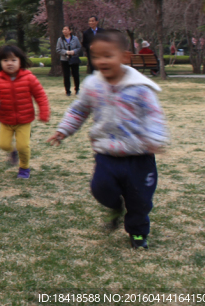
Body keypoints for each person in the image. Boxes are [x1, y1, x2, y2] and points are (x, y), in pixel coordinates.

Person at [48, 30, 169, 250]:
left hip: (139, 156)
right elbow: (79, 110)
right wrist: (64, 130)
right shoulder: (93, 85)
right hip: (107, 154)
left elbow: (154, 114)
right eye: (96, 56)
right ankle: (116, 206)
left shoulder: (140, 88)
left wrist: (155, 138)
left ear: (125, 57)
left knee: (140, 200)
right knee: (100, 189)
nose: (101, 61)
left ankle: (138, 232)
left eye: (108, 55)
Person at [0, 45, 50, 179]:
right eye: (5, 60)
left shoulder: (29, 78)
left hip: (24, 120)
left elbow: (40, 96)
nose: (9, 63)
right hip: (6, 120)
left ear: (20, 61)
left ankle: (24, 168)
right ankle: (12, 151)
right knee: (3, 144)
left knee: (23, 146)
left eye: (13, 60)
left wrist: (43, 112)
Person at [56, 25, 83, 96]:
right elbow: (58, 49)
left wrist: (74, 51)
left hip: (74, 59)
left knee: (76, 75)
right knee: (66, 75)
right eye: (63, 29)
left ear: (70, 31)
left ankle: (77, 89)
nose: (64, 31)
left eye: (66, 29)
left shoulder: (75, 38)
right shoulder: (60, 39)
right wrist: (65, 52)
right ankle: (67, 91)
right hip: (64, 60)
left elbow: (79, 47)